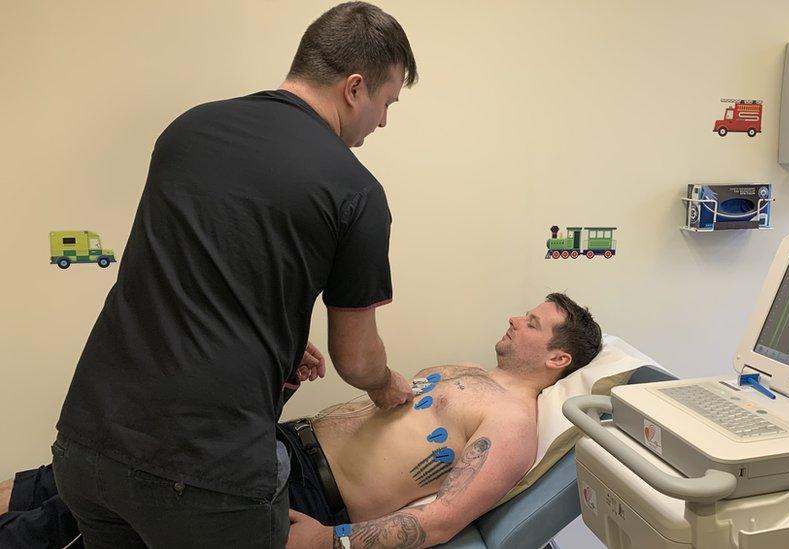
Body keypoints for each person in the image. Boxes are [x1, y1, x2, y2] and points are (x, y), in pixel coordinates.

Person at [51, 3, 418, 547]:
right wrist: (388, 388)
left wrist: (276, 340)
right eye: (387, 102)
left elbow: (192, 266)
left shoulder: (189, 128)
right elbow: (357, 360)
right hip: (205, 477)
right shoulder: (356, 192)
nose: (383, 121)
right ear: (354, 87)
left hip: (87, 443)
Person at [3, 294, 602, 549]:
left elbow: (442, 519)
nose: (514, 319)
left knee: (91, 512)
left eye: (531, 321)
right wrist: (284, 387)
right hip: (278, 444)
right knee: (82, 475)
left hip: (304, 492)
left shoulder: (512, 424)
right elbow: (373, 418)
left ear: (557, 358)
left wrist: (335, 543)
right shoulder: (461, 369)